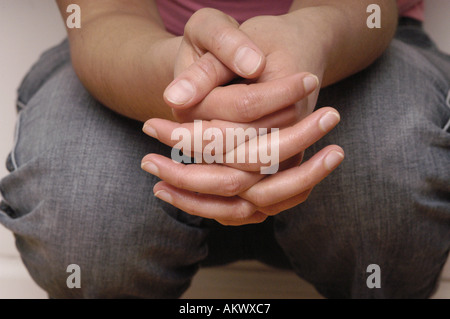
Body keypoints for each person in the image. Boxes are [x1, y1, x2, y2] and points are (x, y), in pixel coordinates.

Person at [0, 0, 449, 298]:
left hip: (350, 39)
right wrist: (184, 85)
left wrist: (317, 37)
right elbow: (102, 14)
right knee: (78, 207)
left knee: (394, 180)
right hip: (131, 49)